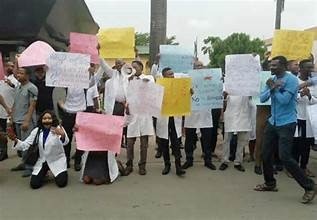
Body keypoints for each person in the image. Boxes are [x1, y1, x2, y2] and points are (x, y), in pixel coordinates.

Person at [254, 56, 316, 204]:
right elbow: (262, 99)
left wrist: (274, 88)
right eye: (270, 65)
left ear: (283, 66)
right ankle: (270, 183)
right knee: (265, 153)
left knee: (285, 157)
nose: (272, 68)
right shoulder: (272, 79)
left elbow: (284, 100)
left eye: (274, 65)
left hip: (287, 123)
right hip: (273, 121)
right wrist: (271, 87)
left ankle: (309, 187)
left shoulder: (292, 81)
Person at [8, 110, 69, 189]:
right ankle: (44, 173)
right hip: (43, 160)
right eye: (44, 118)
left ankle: (62, 172)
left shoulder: (58, 129)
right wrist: (15, 140)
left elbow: (66, 142)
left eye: (49, 118)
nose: (47, 120)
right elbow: (25, 145)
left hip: (57, 160)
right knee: (34, 184)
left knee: (61, 183)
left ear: (53, 119)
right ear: (41, 120)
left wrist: (62, 134)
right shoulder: (37, 131)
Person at [124, 60, 155, 176]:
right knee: (130, 142)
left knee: (144, 143)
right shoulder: (128, 80)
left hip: (144, 114)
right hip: (133, 114)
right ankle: (129, 164)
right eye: (131, 67)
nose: (133, 69)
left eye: (135, 67)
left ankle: (142, 165)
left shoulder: (149, 78)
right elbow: (127, 95)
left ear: (141, 68)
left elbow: (152, 88)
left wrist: (139, 81)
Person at [156, 67, 185, 176]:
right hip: (164, 118)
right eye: (169, 74)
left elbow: (184, 98)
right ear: (164, 76)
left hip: (175, 118)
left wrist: (189, 94)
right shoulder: (159, 87)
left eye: (173, 74)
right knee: (164, 143)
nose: (172, 76)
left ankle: (178, 167)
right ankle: (167, 165)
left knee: (176, 143)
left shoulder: (179, 86)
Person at [11, 67, 38, 177]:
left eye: (21, 73)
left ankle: (30, 167)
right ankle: (23, 162)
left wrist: (27, 121)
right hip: (17, 119)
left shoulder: (32, 88)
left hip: (26, 121)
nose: (18, 75)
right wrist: (11, 117)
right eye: (18, 73)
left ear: (27, 75)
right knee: (20, 143)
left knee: (28, 145)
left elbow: (32, 105)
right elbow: (15, 103)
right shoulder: (18, 87)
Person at [292, 59, 317, 177]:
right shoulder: (294, 81)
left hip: (310, 118)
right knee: (296, 143)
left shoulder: (314, 83)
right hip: (297, 117)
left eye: (311, 67)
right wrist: (300, 94)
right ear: (300, 68)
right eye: (308, 67)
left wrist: (309, 95)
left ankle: (303, 167)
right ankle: (293, 168)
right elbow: (290, 98)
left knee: (307, 144)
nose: (310, 70)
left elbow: (315, 101)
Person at [218, 92, 252, 172]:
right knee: (226, 140)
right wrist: (225, 96)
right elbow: (223, 102)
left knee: (241, 141)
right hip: (231, 116)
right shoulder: (229, 85)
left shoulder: (247, 86)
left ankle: (238, 162)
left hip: (242, 116)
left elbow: (251, 99)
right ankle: (225, 161)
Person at [0, 61, 19, 161]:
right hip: (1, 111)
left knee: (15, 132)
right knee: (2, 134)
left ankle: (21, 148)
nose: (10, 67)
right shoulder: (1, 78)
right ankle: (3, 152)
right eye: (8, 66)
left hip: (12, 111)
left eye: (12, 66)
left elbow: (17, 88)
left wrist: (11, 84)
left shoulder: (15, 79)